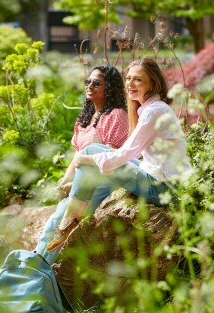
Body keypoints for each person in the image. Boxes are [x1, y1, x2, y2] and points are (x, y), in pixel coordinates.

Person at [47, 58, 192, 252]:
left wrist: (86, 160)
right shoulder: (152, 109)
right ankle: (71, 217)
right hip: (161, 180)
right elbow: (133, 153)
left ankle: (68, 221)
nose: (130, 84)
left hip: (164, 188)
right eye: (129, 78)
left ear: (153, 83)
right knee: (96, 152)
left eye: (138, 80)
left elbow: (124, 154)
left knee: (91, 152)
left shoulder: (153, 112)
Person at [35, 65, 128, 263]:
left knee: (61, 217)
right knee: (56, 218)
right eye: (88, 82)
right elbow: (77, 158)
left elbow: (109, 158)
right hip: (81, 183)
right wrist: (64, 182)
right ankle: (38, 266)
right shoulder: (85, 118)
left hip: (102, 183)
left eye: (97, 83)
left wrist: (75, 184)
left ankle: (39, 268)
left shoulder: (116, 115)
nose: (90, 86)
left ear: (109, 87)